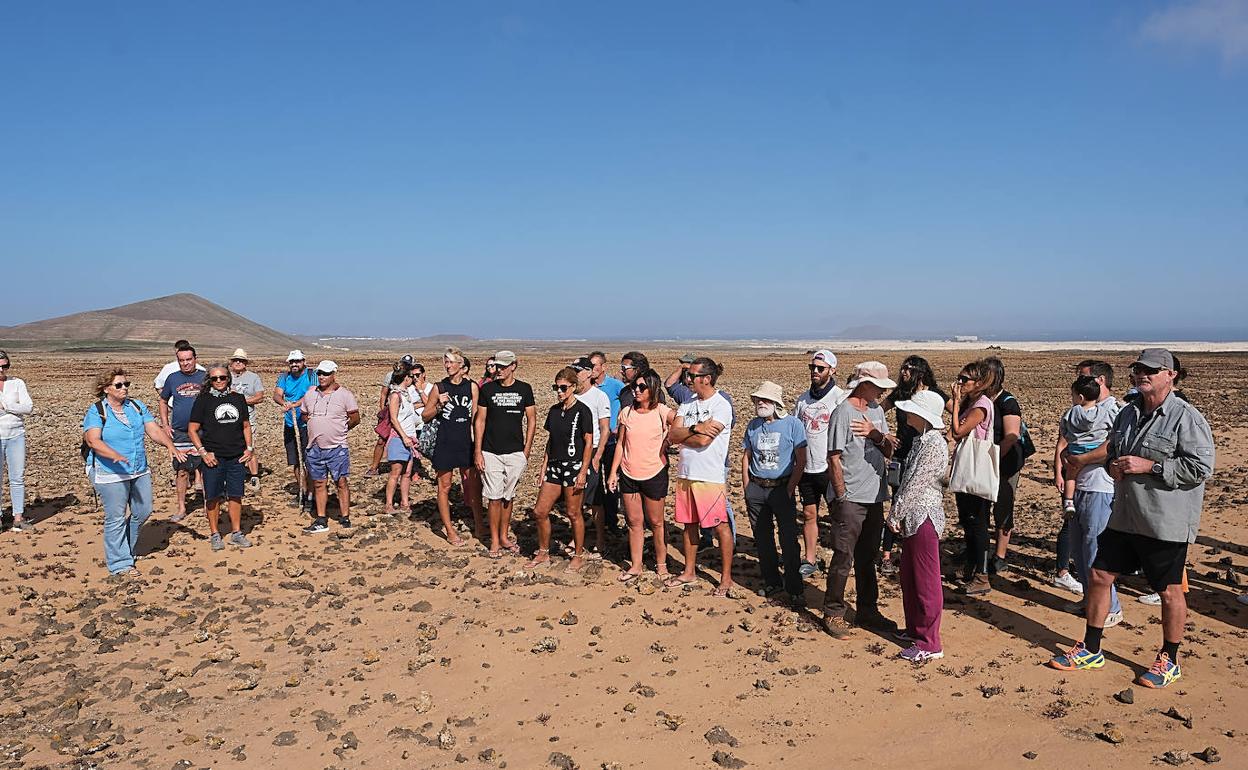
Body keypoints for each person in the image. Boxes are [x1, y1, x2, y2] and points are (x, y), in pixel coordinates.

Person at [1049, 349, 1214, 689]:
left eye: (1151, 370)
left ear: (1171, 375)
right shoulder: (1128, 414)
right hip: (1124, 513)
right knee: (1098, 574)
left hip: (1163, 518)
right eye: (1139, 369)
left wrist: (1149, 466)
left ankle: (1170, 658)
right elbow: (1114, 452)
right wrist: (1113, 467)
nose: (1143, 375)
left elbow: (1200, 468)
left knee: (1168, 590)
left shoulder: (1186, 417)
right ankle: (1092, 649)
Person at [82, 368, 185, 576]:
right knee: (116, 517)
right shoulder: (97, 411)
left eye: (126, 384)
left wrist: (170, 446)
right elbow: (92, 440)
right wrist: (114, 455)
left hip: (138, 468)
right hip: (110, 472)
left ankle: (126, 547)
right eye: (118, 385)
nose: (124, 388)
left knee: (143, 510)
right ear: (105, 389)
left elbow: (153, 429)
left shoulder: (136, 406)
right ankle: (120, 563)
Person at [821, 361, 898, 638]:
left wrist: (877, 435)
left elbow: (889, 449)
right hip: (851, 498)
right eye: (878, 387)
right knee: (844, 556)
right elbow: (833, 457)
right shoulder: (843, 412)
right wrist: (841, 495)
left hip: (875, 496)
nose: (880, 392)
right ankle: (833, 612)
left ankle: (868, 610)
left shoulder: (876, 411)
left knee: (867, 557)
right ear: (864, 384)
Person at [1056, 369, 1124, 627]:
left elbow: (1113, 446)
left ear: (1100, 380)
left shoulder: (1116, 410)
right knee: (1080, 549)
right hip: (1081, 485)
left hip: (1100, 486)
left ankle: (1111, 607)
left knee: (1095, 549)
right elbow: (1064, 440)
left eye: (1083, 376)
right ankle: (1090, 600)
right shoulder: (1086, 410)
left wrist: (1080, 458)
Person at [886, 390, 950, 663]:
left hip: (923, 516)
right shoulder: (922, 441)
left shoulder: (933, 444)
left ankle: (930, 642)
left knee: (926, 581)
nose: (906, 413)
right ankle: (916, 629)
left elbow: (915, 484)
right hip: (914, 517)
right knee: (910, 577)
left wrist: (894, 513)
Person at [665, 357, 736, 595]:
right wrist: (695, 428)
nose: (688, 379)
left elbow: (705, 441)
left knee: (720, 526)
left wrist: (687, 434)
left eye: (692, 375)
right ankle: (689, 571)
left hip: (709, 476)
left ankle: (726, 578)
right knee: (689, 524)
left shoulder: (721, 405)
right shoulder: (688, 402)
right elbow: (672, 435)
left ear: (706, 378)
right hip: (686, 473)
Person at [879, 356, 946, 576]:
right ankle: (887, 555)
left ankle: (909, 545)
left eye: (908, 368)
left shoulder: (935, 394)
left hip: (923, 452)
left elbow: (956, 411)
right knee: (898, 500)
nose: (903, 371)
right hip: (901, 455)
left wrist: (948, 435)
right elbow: (880, 410)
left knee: (915, 498)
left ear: (920, 371)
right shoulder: (900, 393)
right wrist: (884, 436)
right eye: (902, 367)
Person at [741, 381, 807, 605]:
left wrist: (790, 488)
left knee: (788, 539)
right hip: (756, 489)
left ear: (777, 403)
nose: (761, 403)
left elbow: (801, 460)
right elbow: (746, 456)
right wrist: (746, 486)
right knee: (762, 538)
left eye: (766, 399)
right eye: (758, 399)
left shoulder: (793, 425)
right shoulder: (752, 425)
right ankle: (772, 582)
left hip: (782, 488)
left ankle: (794, 587)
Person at [608, 368, 674, 582]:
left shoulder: (662, 411)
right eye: (635, 386)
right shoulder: (626, 413)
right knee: (634, 522)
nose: (636, 390)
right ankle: (636, 565)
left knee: (656, 522)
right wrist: (613, 473)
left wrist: (669, 443)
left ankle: (661, 565)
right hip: (628, 474)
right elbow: (620, 444)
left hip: (654, 473)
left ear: (653, 390)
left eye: (642, 387)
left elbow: (681, 423)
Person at [528, 367, 595, 571]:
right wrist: (543, 467)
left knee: (573, 512)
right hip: (554, 466)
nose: (559, 391)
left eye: (563, 387)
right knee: (540, 511)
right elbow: (551, 440)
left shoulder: (583, 411)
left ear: (573, 387)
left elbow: (588, 441)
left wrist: (583, 471)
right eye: (556, 387)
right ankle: (543, 552)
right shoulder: (554, 411)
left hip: (574, 466)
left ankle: (578, 554)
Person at [474, 351, 537, 558]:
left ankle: (503, 535)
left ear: (513, 366)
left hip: (515, 452)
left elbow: (531, 419)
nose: (498, 370)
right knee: (494, 497)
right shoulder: (488, 389)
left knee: (508, 497)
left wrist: (526, 450)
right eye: (496, 366)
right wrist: (478, 450)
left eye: (502, 366)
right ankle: (494, 540)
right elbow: (480, 420)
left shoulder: (524, 389)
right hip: (490, 451)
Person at [188, 365, 254, 551]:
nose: (219, 381)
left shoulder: (238, 399)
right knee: (213, 496)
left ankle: (236, 533)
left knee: (235, 494)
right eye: (215, 378)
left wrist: (249, 449)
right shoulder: (203, 400)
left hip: (236, 456)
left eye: (222, 378)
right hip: (213, 457)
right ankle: (215, 534)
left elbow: (246, 426)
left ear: (228, 379)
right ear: (209, 380)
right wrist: (203, 452)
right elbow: (192, 429)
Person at [793, 349, 845, 577]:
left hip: (830, 467)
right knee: (809, 514)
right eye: (812, 367)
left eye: (820, 368)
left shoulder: (840, 398)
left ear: (832, 370)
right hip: (806, 467)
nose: (814, 371)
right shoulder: (802, 400)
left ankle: (842, 557)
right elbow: (795, 430)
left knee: (839, 515)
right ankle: (810, 558)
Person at [421, 347, 482, 545]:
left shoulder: (472, 387)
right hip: (445, 443)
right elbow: (425, 416)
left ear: (462, 366)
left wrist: (478, 444)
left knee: (472, 485)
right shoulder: (439, 388)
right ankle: (449, 530)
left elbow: (476, 417)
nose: (447, 365)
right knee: (444, 486)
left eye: (451, 362)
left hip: (466, 443)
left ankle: (480, 524)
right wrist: (438, 405)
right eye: (445, 362)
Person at [299, 361, 360, 533]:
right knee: (319, 483)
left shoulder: (345, 395)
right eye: (319, 373)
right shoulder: (310, 394)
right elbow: (304, 415)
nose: (322, 377)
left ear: (334, 374)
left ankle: (345, 516)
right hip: (314, 447)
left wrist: (340, 429)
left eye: (325, 373)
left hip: (337, 447)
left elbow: (355, 417)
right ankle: (321, 518)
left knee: (340, 481)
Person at [983, 356, 1026, 573]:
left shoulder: (1008, 402)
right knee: (981, 504)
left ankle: (999, 555)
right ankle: (980, 548)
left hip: (1005, 462)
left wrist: (993, 458)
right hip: (985, 461)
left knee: (1003, 505)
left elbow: (1011, 436)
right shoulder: (981, 399)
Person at [158, 344, 204, 523]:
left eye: (188, 359)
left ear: (195, 359)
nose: (185, 363)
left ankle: (210, 506)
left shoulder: (204, 377)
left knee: (206, 469)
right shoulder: (172, 378)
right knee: (182, 471)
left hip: (203, 432)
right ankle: (182, 507)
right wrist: (165, 424)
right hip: (180, 433)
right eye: (181, 360)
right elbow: (163, 401)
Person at [571, 357, 611, 555]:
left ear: (588, 373)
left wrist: (598, 455)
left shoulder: (599, 396)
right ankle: (576, 536)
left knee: (595, 498)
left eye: (577, 371)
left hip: (592, 450)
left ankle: (599, 539)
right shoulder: (570, 395)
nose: (575, 375)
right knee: (573, 496)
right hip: (573, 451)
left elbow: (605, 429)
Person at [589, 351, 626, 532]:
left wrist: (620, 422)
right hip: (593, 442)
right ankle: (598, 517)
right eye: (590, 366)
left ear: (603, 367)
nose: (592, 370)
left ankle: (611, 519)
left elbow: (629, 401)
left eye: (595, 366)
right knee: (594, 481)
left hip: (611, 441)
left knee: (611, 480)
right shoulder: (587, 387)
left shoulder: (614, 385)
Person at [273, 350, 316, 505]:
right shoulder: (284, 377)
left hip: (308, 423)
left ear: (303, 361)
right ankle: (303, 491)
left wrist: (296, 404)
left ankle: (312, 494)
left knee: (310, 460)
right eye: (292, 362)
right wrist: (283, 402)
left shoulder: (312, 375)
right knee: (296, 460)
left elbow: (312, 395)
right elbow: (277, 394)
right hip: (290, 423)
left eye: (297, 361)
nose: (294, 364)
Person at [0, 351, 34, 532]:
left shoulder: (17, 383)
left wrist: (7, 407)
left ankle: (18, 517)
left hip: (16, 435)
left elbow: (28, 407)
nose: (1, 369)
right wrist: (16, 409)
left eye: (5, 366)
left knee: (17, 477)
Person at [366, 358, 413, 477]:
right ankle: (374, 467)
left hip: (404, 412)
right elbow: (383, 393)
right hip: (390, 411)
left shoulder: (411, 378)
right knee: (382, 439)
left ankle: (409, 468)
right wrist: (383, 410)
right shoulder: (390, 376)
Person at [383, 368, 421, 514]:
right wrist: (404, 436)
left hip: (409, 437)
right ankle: (389, 504)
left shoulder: (406, 395)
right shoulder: (395, 396)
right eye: (411, 376)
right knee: (396, 472)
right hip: (399, 438)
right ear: (406, 378)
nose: (413, 379)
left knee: (407, 472)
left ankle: (405, 502)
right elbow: (393, 418)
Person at [228, 349, 265, 491]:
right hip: (228, 420)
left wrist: (241, 401)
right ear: (231, 362)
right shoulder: (225, 377)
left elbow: (260, 396)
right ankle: (234, 475)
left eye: (241, 360)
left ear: (246, 363)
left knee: (249, 447)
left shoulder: (253, 377)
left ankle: (254, 476)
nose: (238, 362)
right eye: (236, 360)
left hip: (248, 420)